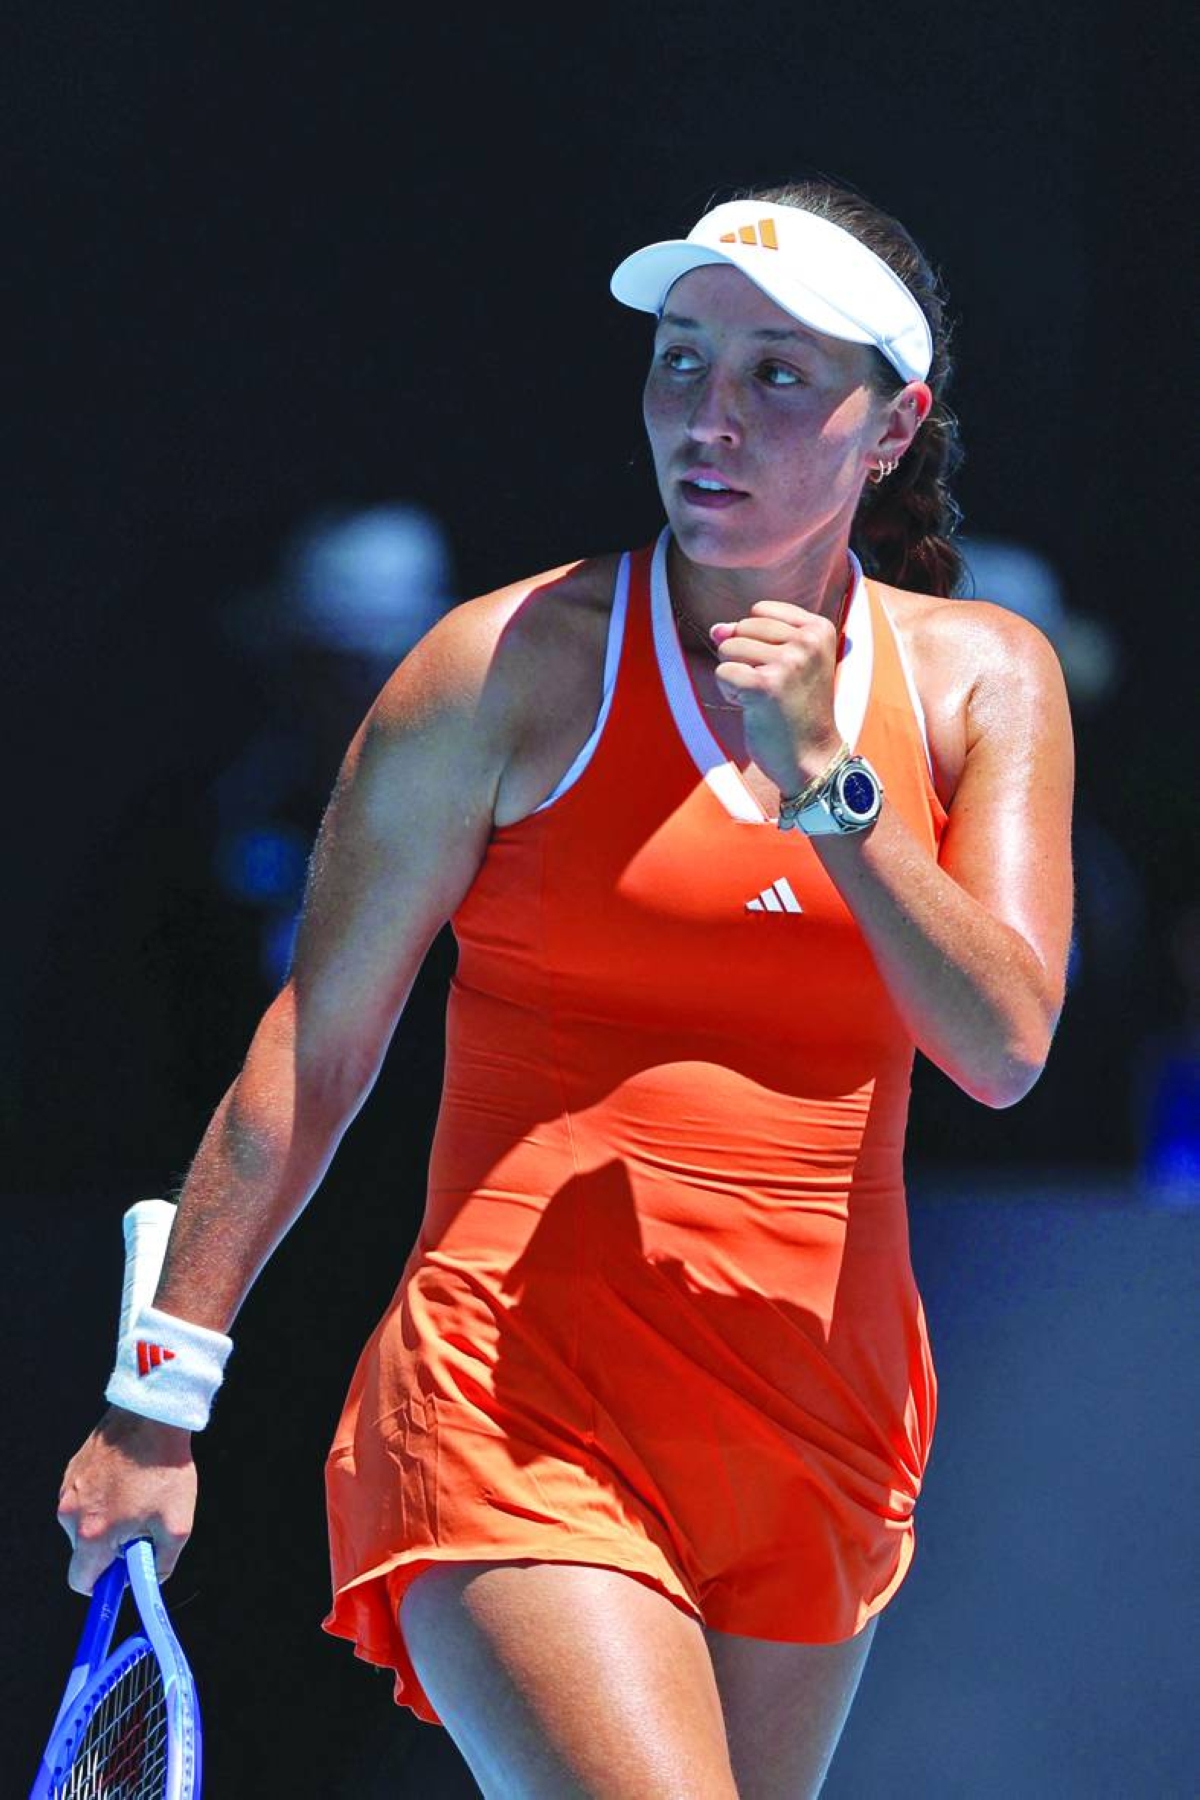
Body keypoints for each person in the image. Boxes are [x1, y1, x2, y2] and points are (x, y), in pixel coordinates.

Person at [56, 177, 1075, 1799]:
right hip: (508, 1401)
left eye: (776, 376)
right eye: (679, 360)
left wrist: (832, 791)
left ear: (893, 431)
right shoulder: (499, 669)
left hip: (820, 1426)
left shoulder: (981, 682)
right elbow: (315, 1050)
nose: (708, 416)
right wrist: (156, 1392)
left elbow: (1005, 1045)